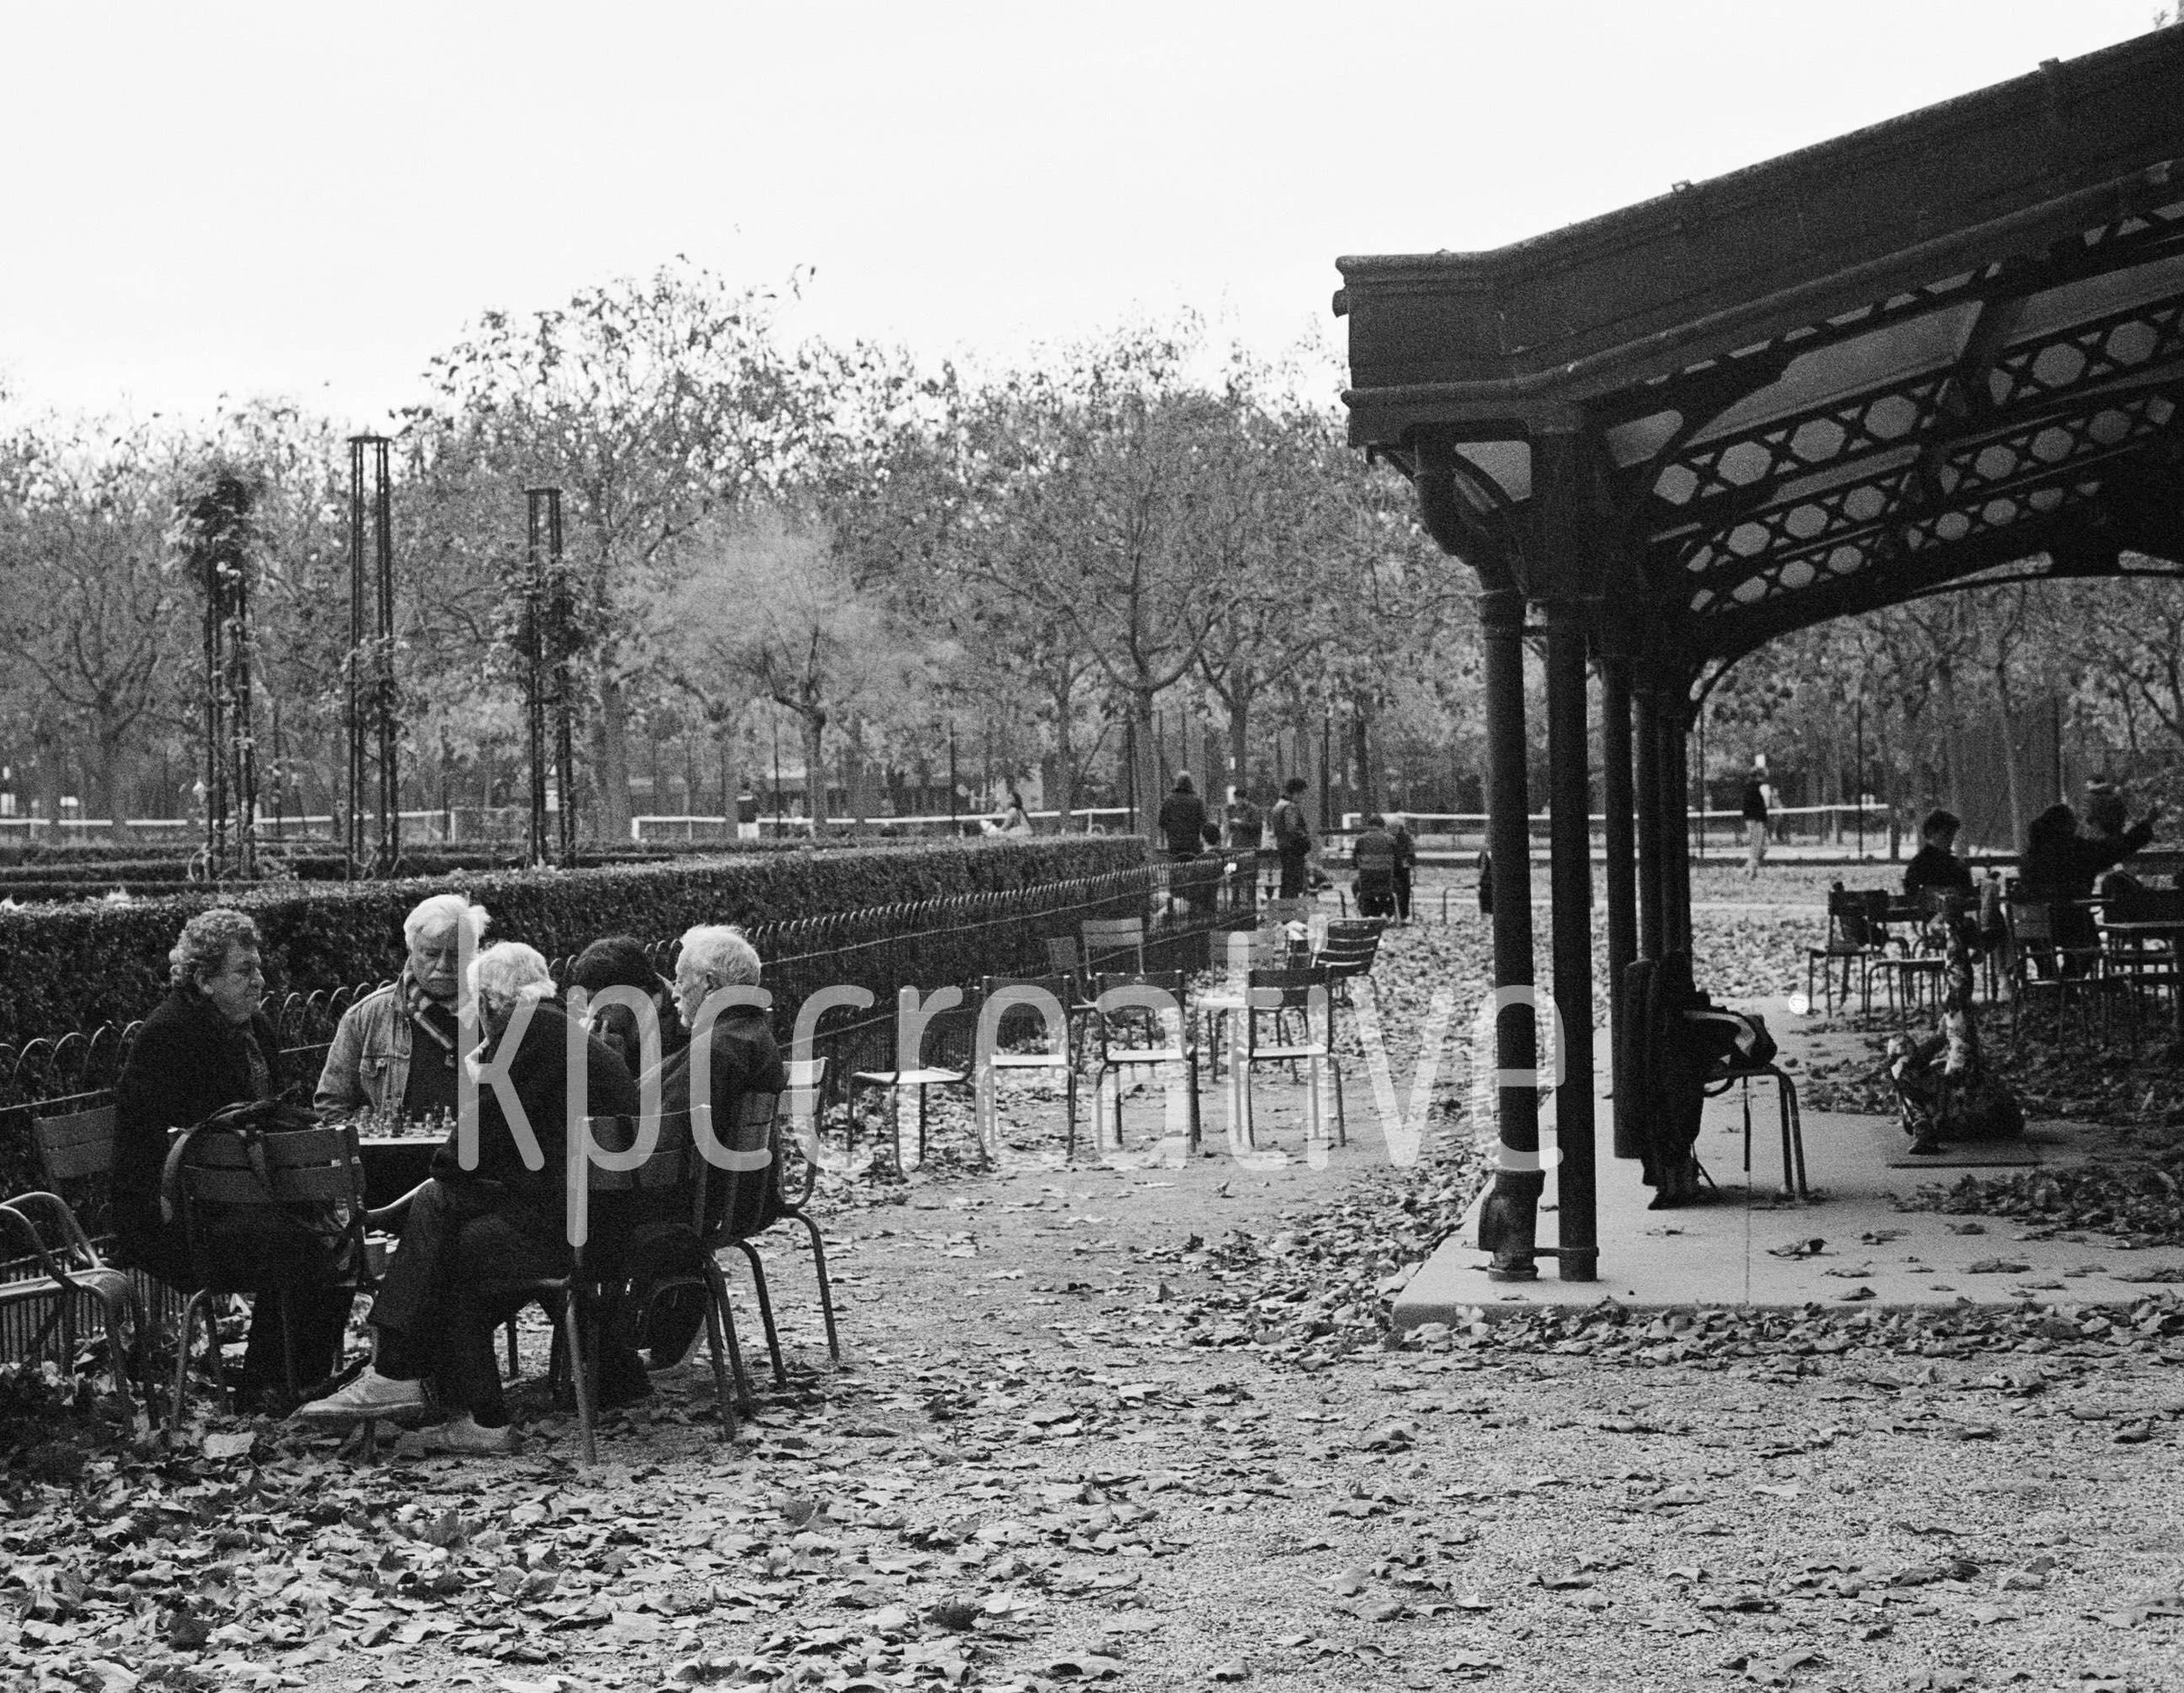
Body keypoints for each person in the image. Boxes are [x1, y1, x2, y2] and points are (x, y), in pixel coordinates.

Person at [297, 942, 639, 1451]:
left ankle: (402, 1375)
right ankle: (455, 1405)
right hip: (611, 1220)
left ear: (490, 1002)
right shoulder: (560, 1033)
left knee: (442, 1215)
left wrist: (478, 1091)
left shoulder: (522, 1035)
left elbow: (462, 1154)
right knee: (455, 1235)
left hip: (575, 1229)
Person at [114, 909, 351, 1412]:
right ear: (203, 979)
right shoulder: (170, 1035)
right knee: (311, 1245)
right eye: (244, 971)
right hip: (174, 1218)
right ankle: (268, 1388)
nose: (259, 981)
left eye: (258, 968)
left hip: (241, 1201)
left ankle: (294, 1379)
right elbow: (156, 1148)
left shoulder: (255, 1028)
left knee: (334, 1238)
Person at [316, 893, 487, 1130]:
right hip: (393, 1160)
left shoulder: (498, 1015)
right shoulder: (366, 1017)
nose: (443, 965)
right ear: (411, 950)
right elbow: (333, 1103)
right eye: (431, 953)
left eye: (456, 955)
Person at [2021, 798, 2161, 960]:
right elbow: (2115, 849)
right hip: (2072, 922)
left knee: (2049, 953)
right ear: (2066, 826)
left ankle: (2049, 977)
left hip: (2034, 928)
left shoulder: (2031, 855)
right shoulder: (2075, 851)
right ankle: (2070, 980)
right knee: (2089, 952)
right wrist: (2146, 824)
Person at [568, 934, 688, 1080]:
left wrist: (612, 1066)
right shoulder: (614, 1028)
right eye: (588, 1002)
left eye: (603, 1003)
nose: (592, 1013)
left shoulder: (686, 1033)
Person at [1903, 808, 1974, 898]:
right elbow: (1914, 896)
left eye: (1952, 834)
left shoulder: (1956, 864)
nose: (1951, 839)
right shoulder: (1920, 865)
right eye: (1946, 834)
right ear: (1931, 832)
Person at [1270, 777, 1312, 898]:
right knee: (1294, 882)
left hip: (1283, 847)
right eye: (1302, 794)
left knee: (1286, 880)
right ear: (1296, 792)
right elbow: (1292, 829)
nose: (1302, 798)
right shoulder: (1290, 807)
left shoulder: (1278, 806)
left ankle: (1284, 910)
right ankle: (1291, 910)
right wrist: (1305, 839)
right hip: (1293, 849)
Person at [1351, 815, 1399, 918]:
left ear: (1369, 826)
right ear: (1383, 826)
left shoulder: (1360, 840)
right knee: (1396, 887)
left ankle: (1367, 912)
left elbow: (1354, 862)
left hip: (1366, 882)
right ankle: (1388, 911)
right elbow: (1397, 859)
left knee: (1356, 887)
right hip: (1386, 882)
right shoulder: (1391, 839)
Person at [1157, 772, 1208, 861]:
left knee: (1176, 867)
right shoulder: (1197, 801)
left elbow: (1161, 822)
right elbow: (1203, 821)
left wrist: (1172, 829)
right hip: (1193, 844)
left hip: (1174, 844)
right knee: (1192, 867)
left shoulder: (1168, 801)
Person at [1741, 758, 1773, 880]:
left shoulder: (1748, 786)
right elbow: (1767, 803)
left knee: (1764, 845)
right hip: (1757, 819)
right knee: (1758, 845)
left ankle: (1749, 867)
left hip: (1752, 818)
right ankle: (1752, 871)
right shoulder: (1763, 787)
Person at [1388, 812, 1418, 923]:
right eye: (1389, 827)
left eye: (1394, 827)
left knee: (1402, 882)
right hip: (1392, 871)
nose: (1391, 830)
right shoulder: (1388, 838)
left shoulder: (1405, 838)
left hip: (1397, 870)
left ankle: (1401, 914)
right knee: (1402, 884)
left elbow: (1411, 857)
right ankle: (1399, 914)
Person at [1223, 785, 1262, 853]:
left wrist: (1240, 823)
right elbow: (1231, 828)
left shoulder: (1253, 809)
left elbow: (1257, 826)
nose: (1237, 802)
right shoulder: (1235, 809)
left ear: (1244, 799)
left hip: (1249, 845)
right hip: (1236, 845)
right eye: (1236, 799)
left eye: (1238, 799)